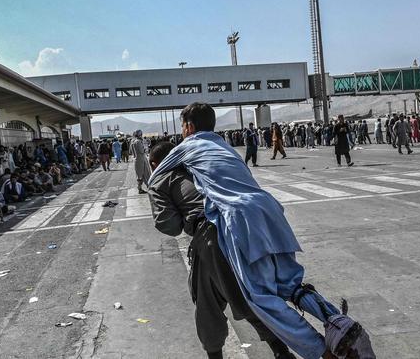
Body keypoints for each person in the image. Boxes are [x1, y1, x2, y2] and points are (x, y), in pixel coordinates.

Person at [149, 103, 374, 359]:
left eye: (182, 126)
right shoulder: (222, 146)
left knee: (260, 298)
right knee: (291, 286)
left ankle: (325, 353)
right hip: (269, 212)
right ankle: (340, 325)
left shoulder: (183, 150)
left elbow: (162, 199)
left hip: (236, 220)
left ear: (188, 127)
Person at [147, 141, 296, 359]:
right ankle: (280, 350)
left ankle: (280, 352)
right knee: (244, 293)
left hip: (211, 237)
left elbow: (168, 225)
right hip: (243, 226)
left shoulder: (160, 178)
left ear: (153, 163)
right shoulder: (197, 164)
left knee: (233, 300)